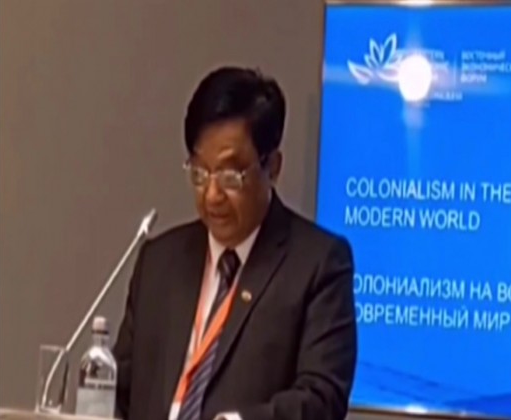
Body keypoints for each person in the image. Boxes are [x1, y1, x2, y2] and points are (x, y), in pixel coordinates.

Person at [112, 66, 357, 420]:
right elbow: (116, 393)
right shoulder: (159, 262)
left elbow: (322, 399)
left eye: (230, 176)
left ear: (272, 167)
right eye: (200, 173)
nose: (212, 194)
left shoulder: (317, 265)